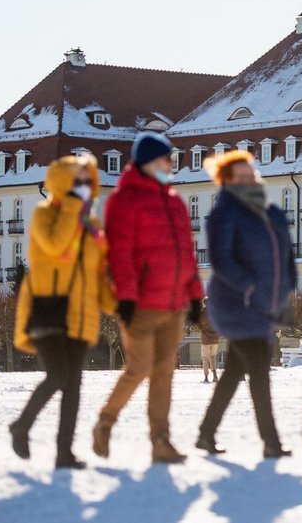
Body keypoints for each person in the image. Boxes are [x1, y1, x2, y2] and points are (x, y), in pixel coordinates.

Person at [93, 132, 204, 464]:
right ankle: (105, 422)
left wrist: (195, 294)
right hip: (140, 304)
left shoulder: (174, 200)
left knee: (164, 373)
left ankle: (161, 441)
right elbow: (120, 254)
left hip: (172, 303)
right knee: (139, 368)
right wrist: (125, 297)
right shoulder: (124, 199)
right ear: (146, 162)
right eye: (165, 159)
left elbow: (187, 252)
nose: (171, 165)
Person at [9, 155, 116, 469]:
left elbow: (98, 275)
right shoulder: (45, 216)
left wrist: (117, 305)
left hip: (81, 317)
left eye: (86, 181)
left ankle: (64, 453)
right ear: (62, 183)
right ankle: (22, 424)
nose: (83, 187)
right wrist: (71, 205)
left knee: (73, 387)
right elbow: (56, 246)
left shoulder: (92, 227)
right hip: (48, 310)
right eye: (77, 181)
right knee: (58, 375)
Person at [195, 151, 295, 459]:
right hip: (237, 305)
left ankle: (205, 433)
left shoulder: (271, 212)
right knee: (260, 370)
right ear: (227, 181)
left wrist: (287, 287)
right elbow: (222, 261)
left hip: (266, 303)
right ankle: (271, 441)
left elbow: (285, 255)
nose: (248, 178)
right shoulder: (224, 214)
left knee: (234, 372)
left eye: (250, 172)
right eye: (239, 176)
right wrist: (250, 288)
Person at [199, 310, 219, 383]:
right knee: (213, 357)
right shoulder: (215, 312)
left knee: (205, 359)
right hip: (215, 339)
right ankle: (215, 376)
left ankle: (206, 377)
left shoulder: (203, 313)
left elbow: (199, 325)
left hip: (205, 340)